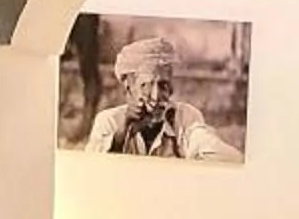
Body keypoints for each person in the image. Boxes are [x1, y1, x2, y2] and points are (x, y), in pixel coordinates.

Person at [85, 35, 236, 160]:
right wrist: (123, 130)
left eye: (163, 85)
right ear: (128, 85)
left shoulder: (185, 117)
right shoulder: (108, 121)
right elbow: (93, 172)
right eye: (146, 85)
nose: (156, 96)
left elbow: (222, 154)